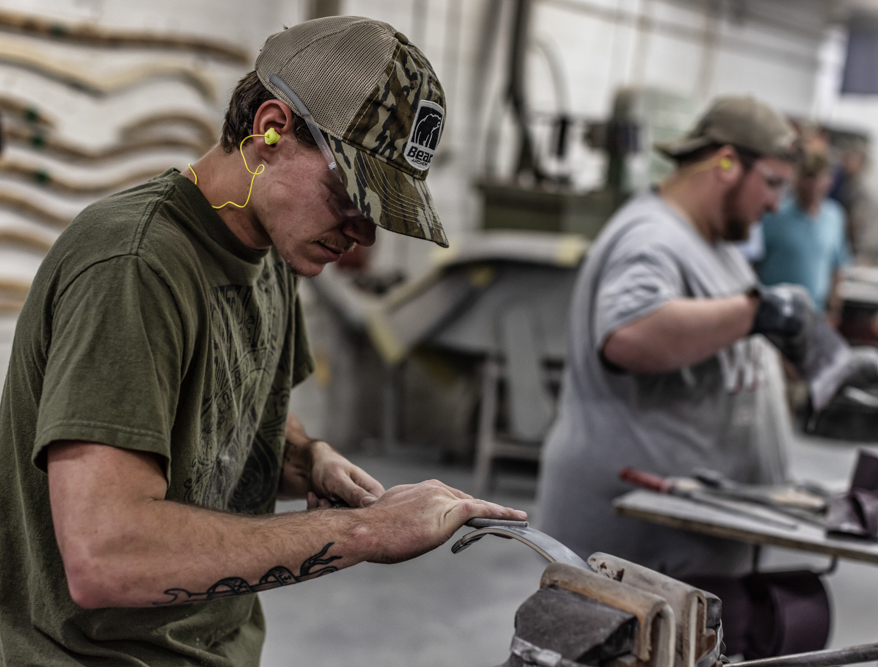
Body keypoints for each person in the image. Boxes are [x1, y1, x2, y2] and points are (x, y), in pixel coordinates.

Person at [0, 17, 524, 665]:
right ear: (270, 129)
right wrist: (364, 530)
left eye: (379, 213)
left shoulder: (273, 246)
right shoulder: (134, 265)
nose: (362, 236)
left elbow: (231, 411)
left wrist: (309, 457)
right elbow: (108, 554)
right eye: (350, 194)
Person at [535, 96, 809, 577]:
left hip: (686, 547)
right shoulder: (652, 237)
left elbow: (722, 335)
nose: (774, 203)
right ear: (725, 162)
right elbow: (631, 334)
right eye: (771, 183)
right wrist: (756, 312)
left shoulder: (716, 243)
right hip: (630, 552)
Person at [756, 151, 852, 317]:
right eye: (808, 176)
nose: (813, 184)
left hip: (814, 313)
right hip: (773, 310)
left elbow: (837, 265)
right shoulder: (775, 213)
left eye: (819, 177)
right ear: (796, 179)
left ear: (829, 181)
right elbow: (754, 261)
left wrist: (834, 309)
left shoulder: (834, 216)